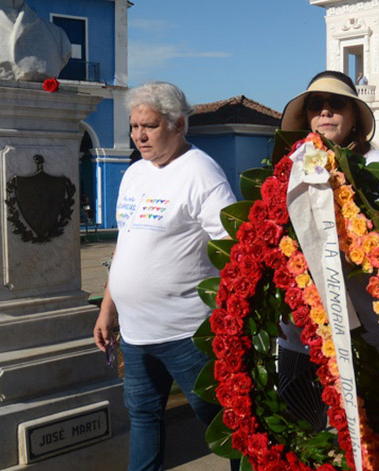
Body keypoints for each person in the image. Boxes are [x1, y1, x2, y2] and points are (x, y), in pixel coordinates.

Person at [92, 82, 238, 471]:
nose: (139, 135)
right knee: (142, 418)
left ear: (178, 124)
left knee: (224, 421)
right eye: (134, 126)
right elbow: (125, 245)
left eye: (150, 126)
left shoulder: (201, 172)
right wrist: (108, 309)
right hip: (137, 335)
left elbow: (235, 249)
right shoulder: (135, 173)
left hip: (187, 332)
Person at [278, 70, 379, 428]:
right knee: (305, 439)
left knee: (367, 440)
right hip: (300, 337)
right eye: (316, 106)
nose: (325, 112)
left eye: (335, 104)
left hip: (365, 334)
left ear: (353, 116)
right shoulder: (289, 169)